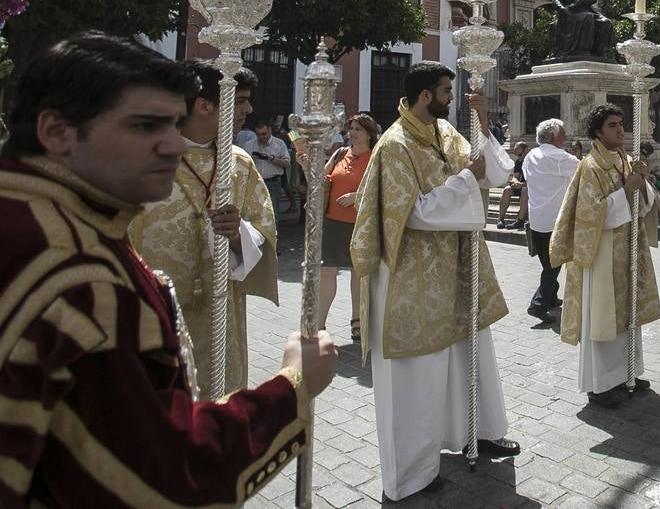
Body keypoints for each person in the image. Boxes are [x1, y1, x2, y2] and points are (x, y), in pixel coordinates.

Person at [0, 32, 336, 506]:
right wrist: (293, 387)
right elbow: (164, 475)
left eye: (171, 125)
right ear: (56, 131)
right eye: (145, 126)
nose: (172, 146)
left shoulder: (49, 220)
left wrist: (240, 235)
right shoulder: (78, 274)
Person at [350, 61, 519, 501]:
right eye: (446, 91)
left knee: (470, 354)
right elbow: (417, 213)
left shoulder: (448, 135)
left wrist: (482, 120)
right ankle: (410, 474)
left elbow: (498, 173)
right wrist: (468, 178)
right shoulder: (394, 145)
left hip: (458, 267)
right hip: (410, 277)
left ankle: (478, 431)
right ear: (426, 95)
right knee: (416, 376)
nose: (450, 97)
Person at [129, 58, 278, 394]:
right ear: (204, 105)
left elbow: (264, 228)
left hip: (218, 314)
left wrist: (239, 233)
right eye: (240, 100)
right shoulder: (144, 159)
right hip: (155, 314)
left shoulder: (238, 162)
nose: (249, 109)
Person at [550, 103, 660, 408]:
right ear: (598, 131)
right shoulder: (591, 166)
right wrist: (627, 190)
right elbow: (590, 213)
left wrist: (643, 185)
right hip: (602, 253)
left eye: (621, 123)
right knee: (604, 318)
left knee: (628, 315)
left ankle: (628, 373)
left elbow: (645, 203)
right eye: (612, 125)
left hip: (627, 249)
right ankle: (600, 385)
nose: (620, 129)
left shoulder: (625, 160)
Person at [319, 113, 379, 342]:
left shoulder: (375, 158)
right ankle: (320, 324)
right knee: (326, 272)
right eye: (351, 128)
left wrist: (358, 196)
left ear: (369, 134)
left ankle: (358, 321)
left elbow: (383, 188)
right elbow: (322, 178)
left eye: (358, 129)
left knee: (358, 274)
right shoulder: (340, 153)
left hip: (360, 224)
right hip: (333, 222)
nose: (352, 133)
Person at [521, 119, 578, 322]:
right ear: (553, 134)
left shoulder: (530, 155)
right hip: (556, 220)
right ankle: (538, 304)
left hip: (536, 219)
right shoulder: (561, 158)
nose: (566, 135)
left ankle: (552, 298)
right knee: (552, 266)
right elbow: (586, 172)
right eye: (563, 132)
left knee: (548, 262)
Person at [249, 119, 293, 218]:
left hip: (273, 183)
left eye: (264, 134)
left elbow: (287, 164)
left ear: (270, 130)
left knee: (273, 215)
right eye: (258, 134)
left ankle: (274, 233)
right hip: (255, 183)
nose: (261, 137)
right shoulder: (249, 144)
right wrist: (252, 160)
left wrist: (272, 158)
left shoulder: (279, 144)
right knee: (256, 214)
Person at [496, 140, 530, 229]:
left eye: (520, 154)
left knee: (524, 190)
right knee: (507, 190)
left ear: (526, 150)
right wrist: (514, 182)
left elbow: (535, 180)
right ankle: (500, 219)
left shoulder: (533, 161)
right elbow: (516, 176)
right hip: (521, 185)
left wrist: (521, 184)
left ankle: (520, 220)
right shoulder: (519, 161)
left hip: (531, 187)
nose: (519, 157)